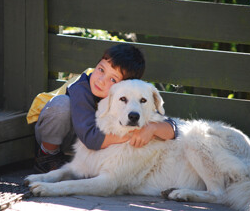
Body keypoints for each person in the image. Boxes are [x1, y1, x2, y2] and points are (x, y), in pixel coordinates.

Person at [33, 43, 178, 173]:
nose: (101, 80)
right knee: (62, 105)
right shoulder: (81, 88)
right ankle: (47, 156)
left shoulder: (130, 96)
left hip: (87, 148)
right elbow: (91, 138)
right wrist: (133, 134)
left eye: (113, 79)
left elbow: (172, 127)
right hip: (60, 134)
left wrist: (152, 129)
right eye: (101, 69)